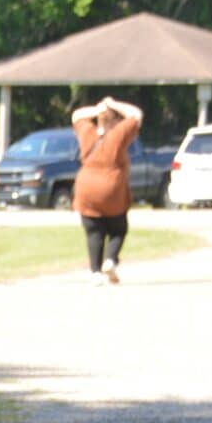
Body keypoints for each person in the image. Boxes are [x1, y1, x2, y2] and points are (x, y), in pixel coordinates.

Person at [71, 95, 143, 284]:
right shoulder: (118, 133)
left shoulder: (87, 131)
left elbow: (76, 115)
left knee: (93, 232)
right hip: (111, 187)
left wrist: (97, 109)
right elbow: (136, 114)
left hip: (86, 187)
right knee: (119, 229)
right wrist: (113, 104)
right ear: (114, 121)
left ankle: (95, 272)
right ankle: (110, 260)